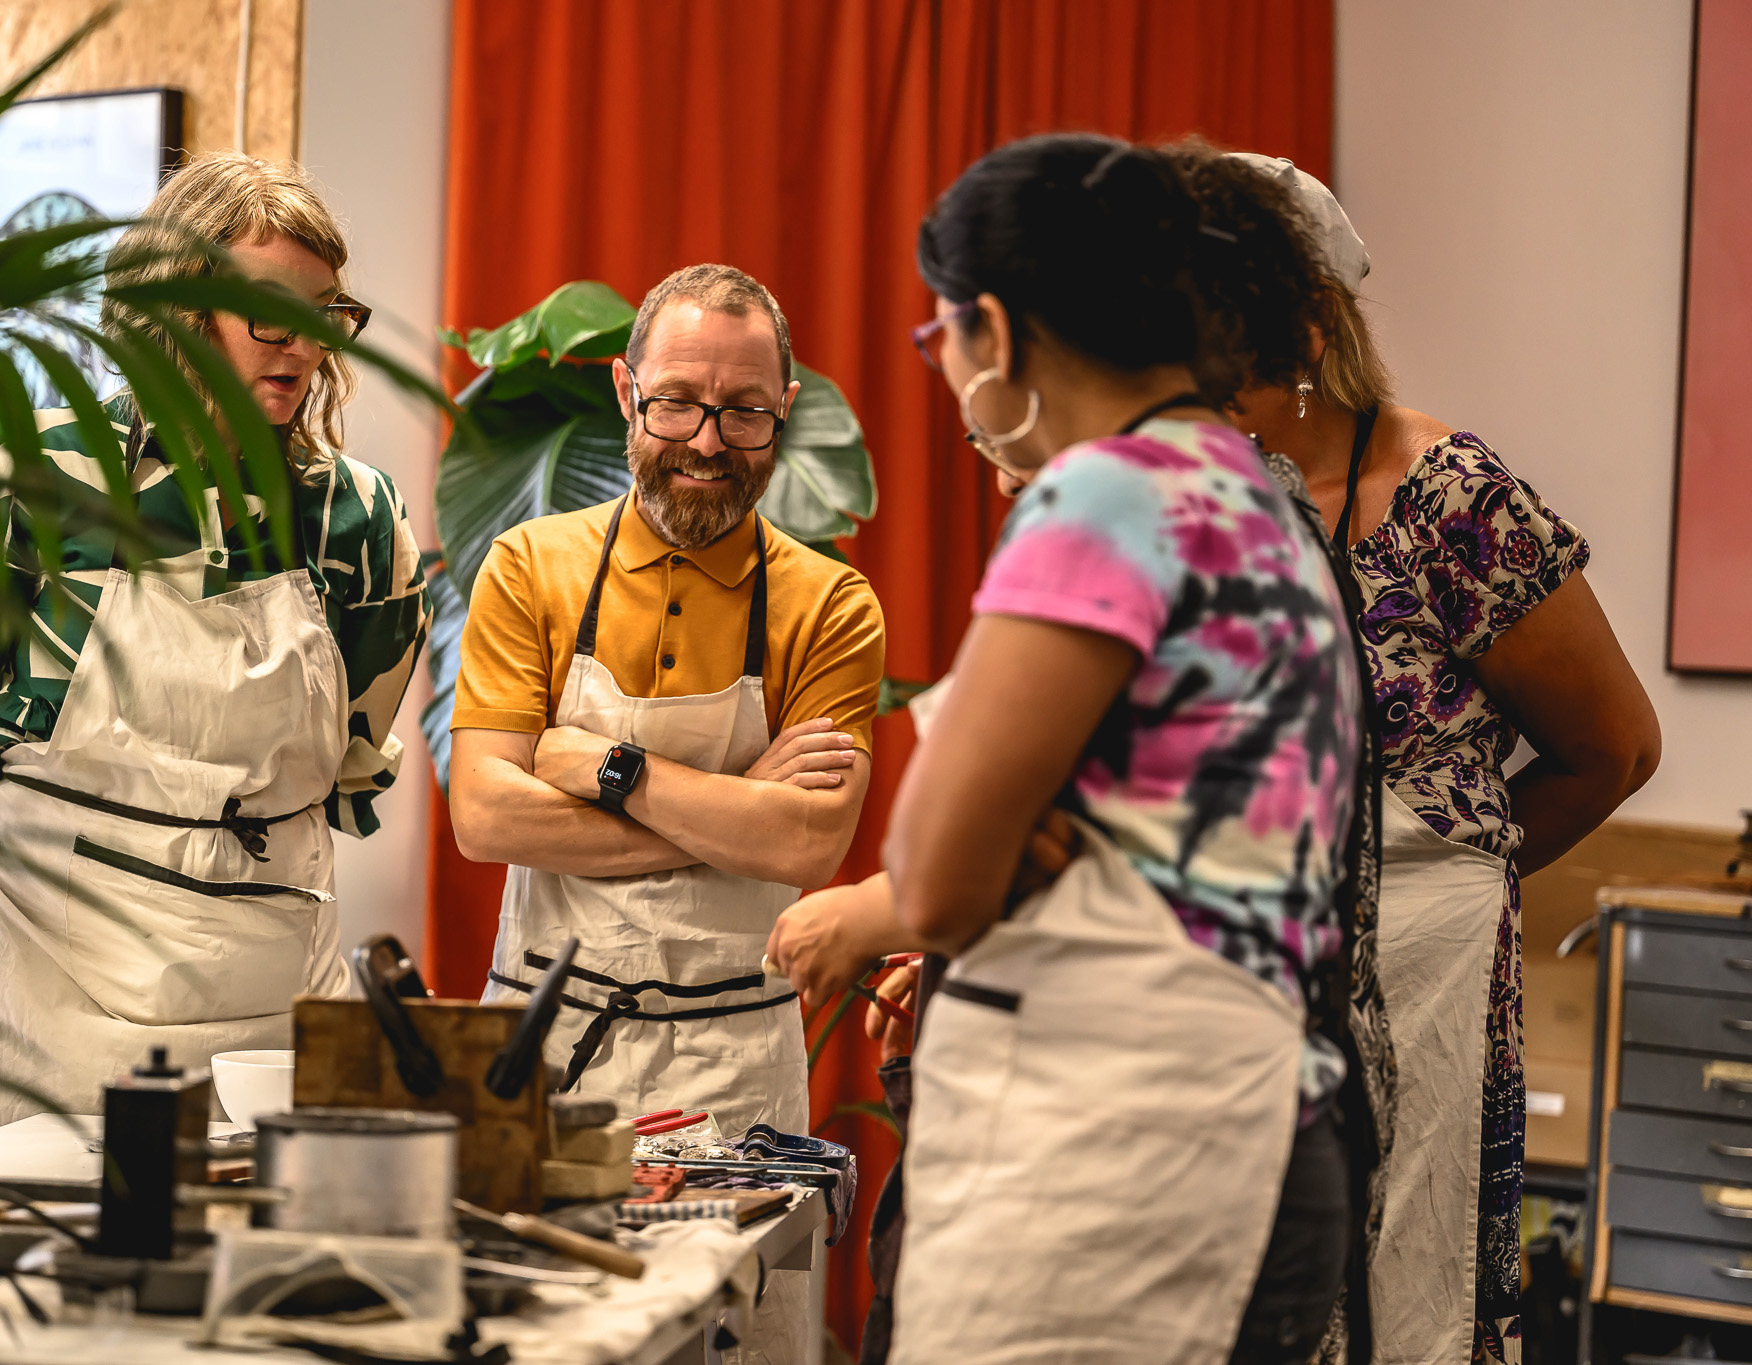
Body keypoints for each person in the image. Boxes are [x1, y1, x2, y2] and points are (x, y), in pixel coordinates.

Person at [883, 132, 1363, 1364]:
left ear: (990, 327)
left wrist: (1019, 842)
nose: (944, 371)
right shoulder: (1255, 494)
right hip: (1263, 1129)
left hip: (1124, 1155)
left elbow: (934, 882)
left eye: (940, 340)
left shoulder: (1103, 497)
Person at [0, 153, 431, 1160]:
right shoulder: (40, 482)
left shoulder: (356, 522)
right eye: (267, 312)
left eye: (324, 311)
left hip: (262, 1007)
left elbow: (345, 759)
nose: (301, 343)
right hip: (38, 998)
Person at [1215, 153, 1660, 1365]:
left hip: (1427, 962)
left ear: (1306, 321)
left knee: (1413, 1292)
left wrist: (1456, 876)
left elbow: (1611, 747)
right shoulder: (1187, 497)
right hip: (1233, 961)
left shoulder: (1443, 495)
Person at [449, 262, 884, 1139]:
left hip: (733, 1068)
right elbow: (485, 815)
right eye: (677, 402)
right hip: (544, 1042)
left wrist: (606, 767)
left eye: (746, 411)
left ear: (784, 408)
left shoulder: (832, 603)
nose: (710, 442)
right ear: (626, 391)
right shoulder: (530, 566)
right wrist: (732, 809)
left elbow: (807, 841)